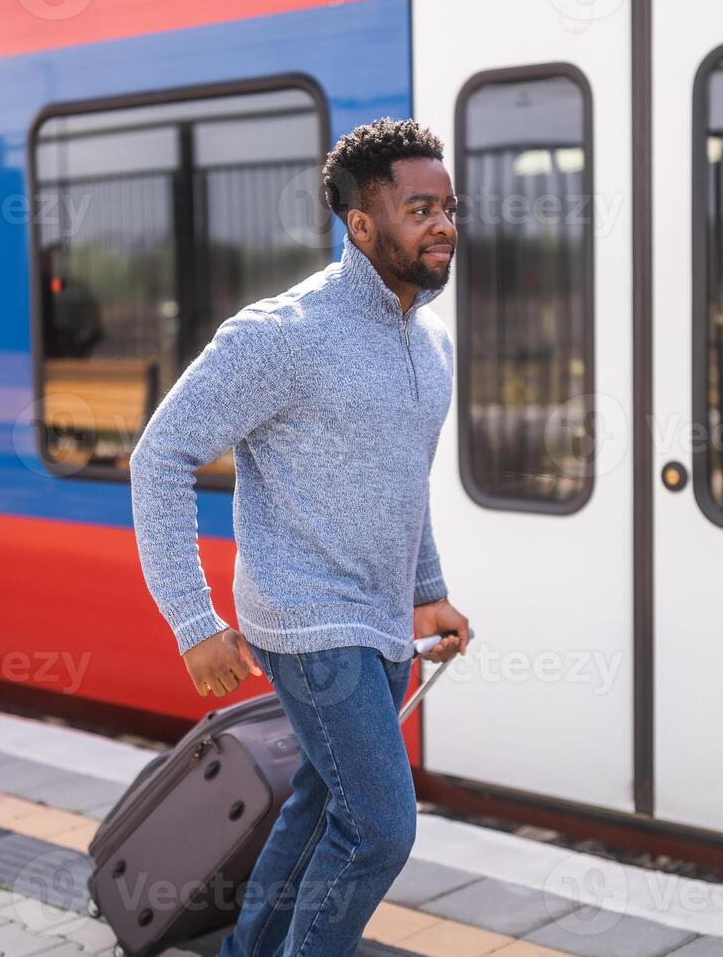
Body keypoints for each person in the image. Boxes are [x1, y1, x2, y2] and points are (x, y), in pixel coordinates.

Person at [128, 117, 472, 956]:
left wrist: (428, 593)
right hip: (309, 622)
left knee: (322, 800)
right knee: (382, 827)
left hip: (383, 621)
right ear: (362, 226)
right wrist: (193, 620)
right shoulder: (281, 334)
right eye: (418, 208)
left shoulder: (430, 344)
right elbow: (159, 457)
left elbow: (406, 483)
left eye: (448, 206)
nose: (443, 224)